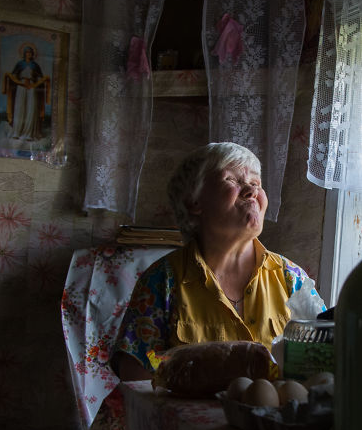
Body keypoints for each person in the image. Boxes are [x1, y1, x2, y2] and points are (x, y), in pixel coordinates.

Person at [110, 142, 316, 381]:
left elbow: (322, 360)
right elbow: (137, 375)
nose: (251, 191)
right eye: (233, 180)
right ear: (194, 202)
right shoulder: (163, 281)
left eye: (256, 183)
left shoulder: (292, 279)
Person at [3, 45, 50, 141]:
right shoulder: (20, 64)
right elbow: (14, 75)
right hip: (21, 86)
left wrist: (40, 81)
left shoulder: (35, 65)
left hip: (32, 86)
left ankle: (29, 133)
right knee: (19, 108)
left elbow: (40, 77)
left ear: (33, 54)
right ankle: (17, 132)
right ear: (24, 54)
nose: (29, 54)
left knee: (31, 108)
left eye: (30, 52)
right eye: (27, 52)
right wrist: (19, 82)